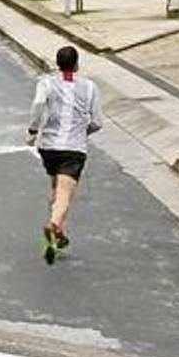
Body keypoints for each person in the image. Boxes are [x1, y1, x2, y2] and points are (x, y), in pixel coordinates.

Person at [27, 45, 104, 264]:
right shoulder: (89, 88)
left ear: (57, 63)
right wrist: (82, 131)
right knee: (64, 194)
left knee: (55, 187)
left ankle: (57, 236)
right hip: (73, 148)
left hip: (49, 146)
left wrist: (34, 129)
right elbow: (98, 122)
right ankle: (53, 224)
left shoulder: (47, 83)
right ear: (77, 64)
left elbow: (39, 104)